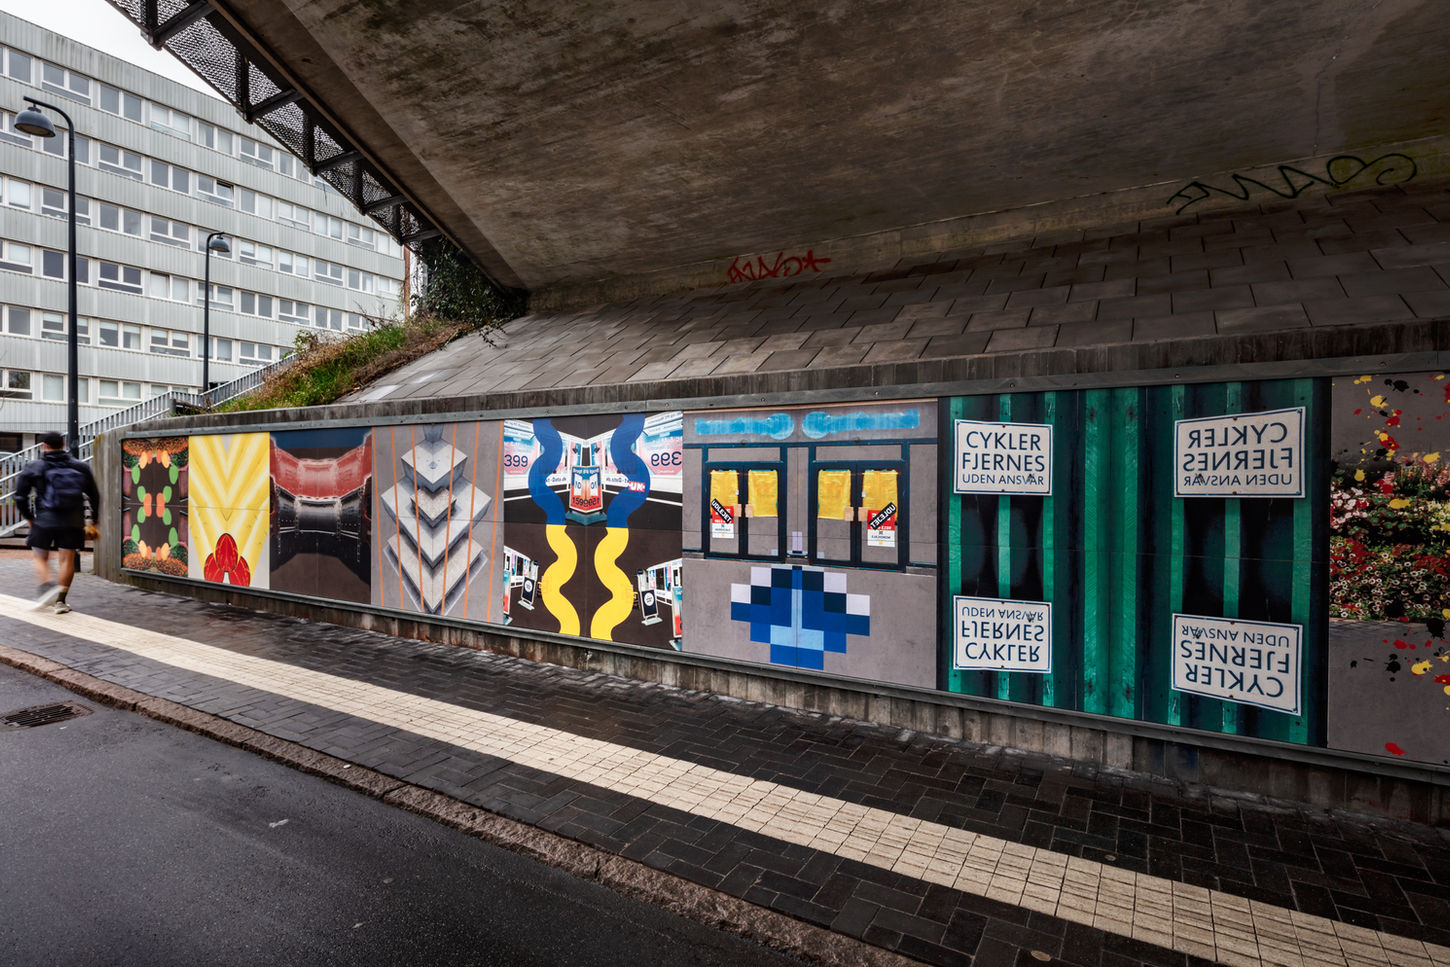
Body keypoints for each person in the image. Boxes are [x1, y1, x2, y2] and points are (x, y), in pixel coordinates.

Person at [13, 431, 100, 614]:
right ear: (64, 445)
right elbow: (94, 494)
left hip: (45, 520)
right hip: (73, 521)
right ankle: (60, 602)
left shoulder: (34, 467)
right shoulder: (80, 466)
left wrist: (29, 517)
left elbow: (20, 496)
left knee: (40, 557)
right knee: (67, 560)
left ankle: (47, 586)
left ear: (44, 446)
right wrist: (94, 518)